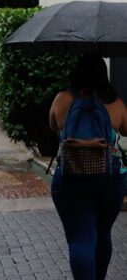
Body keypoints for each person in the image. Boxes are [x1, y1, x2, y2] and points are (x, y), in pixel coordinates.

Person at [49, 55, 127, 280]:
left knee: (80, 237)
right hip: (110, 178)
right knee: (102, 233)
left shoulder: (63, 99)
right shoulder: (115, 103)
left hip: (70, 177)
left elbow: (53, 125)